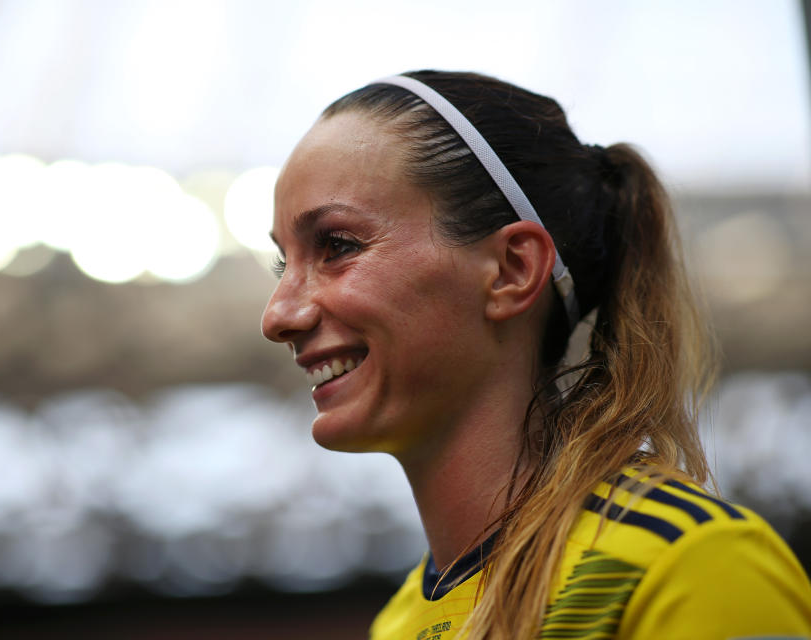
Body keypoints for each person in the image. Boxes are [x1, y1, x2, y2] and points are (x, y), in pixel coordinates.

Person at [261, 70, 811, 639]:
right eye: (284, 263)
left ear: (512, 270)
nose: (277, 316)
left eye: (337, 246)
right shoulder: (398, 624)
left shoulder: (689, 567)